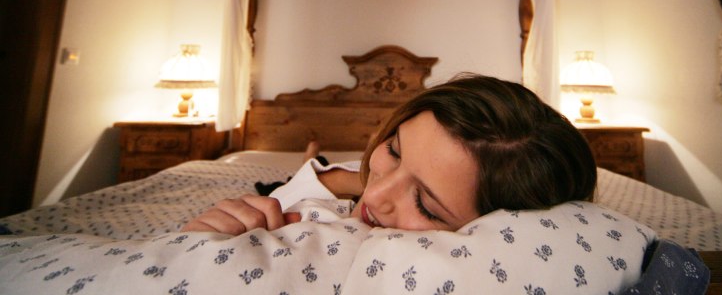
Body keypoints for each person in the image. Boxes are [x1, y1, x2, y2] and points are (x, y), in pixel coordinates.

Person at [182, 73, 597, 234]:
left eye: (426, 205)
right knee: (305, 178)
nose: (376, 200)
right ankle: (318, 160)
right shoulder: (365, 182)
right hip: (308, 180)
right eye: (395, 149)